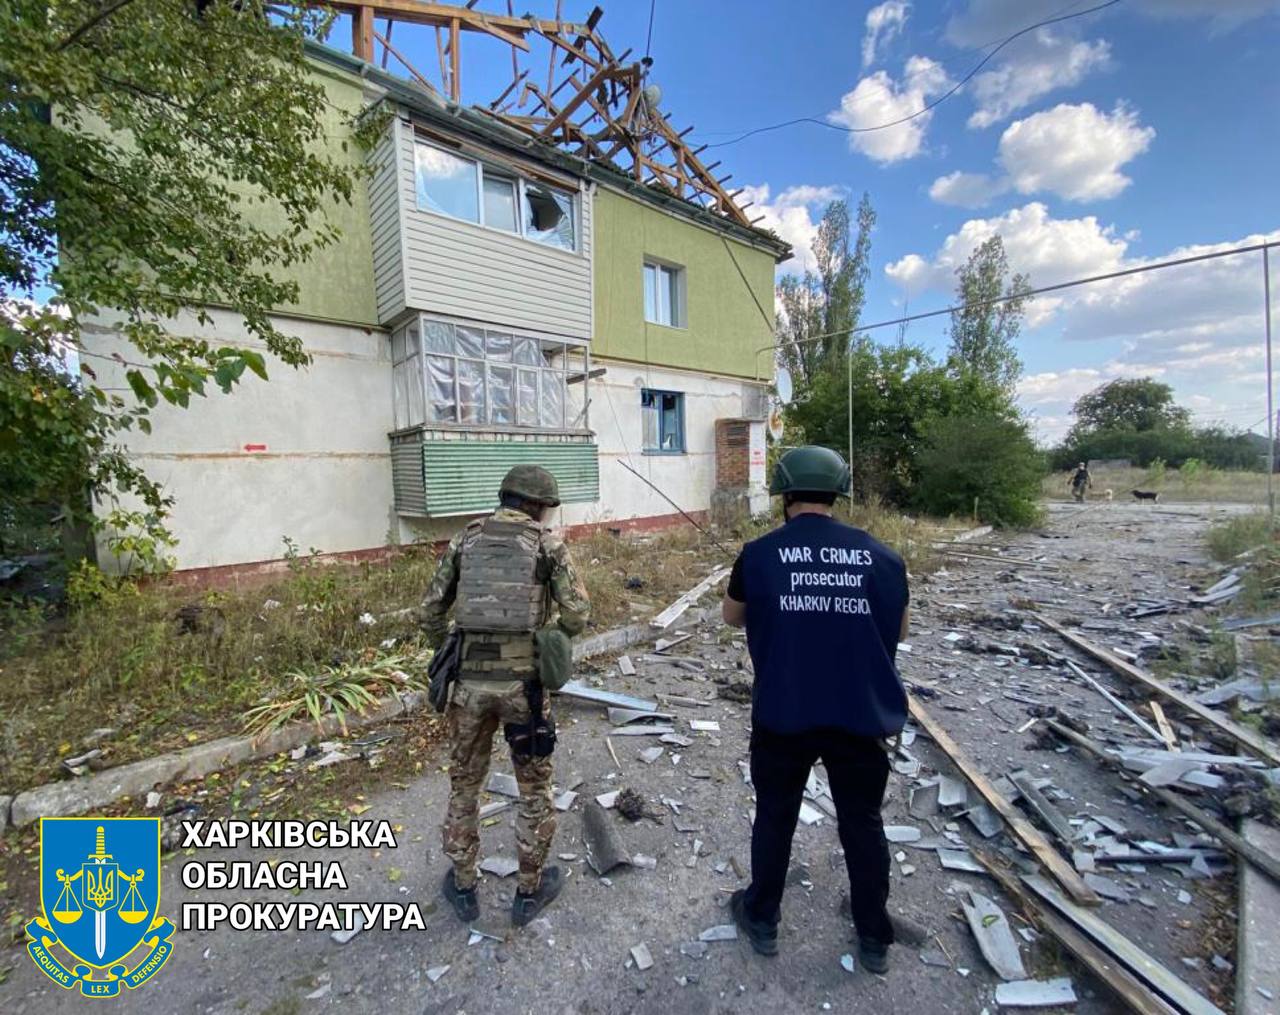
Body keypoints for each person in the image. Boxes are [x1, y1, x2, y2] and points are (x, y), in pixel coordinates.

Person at [721, 445, 910, 975]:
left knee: (776, 817)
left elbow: (731, 617)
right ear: (837, 494)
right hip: (860, 716)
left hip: (784, 714)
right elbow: (898, 631)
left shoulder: (759, 553)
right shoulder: (884, 557)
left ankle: (761, 917)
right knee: (862, 822)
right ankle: (873, 936)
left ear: (784, 494)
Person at [420, 464, 590, 927]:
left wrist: (450, 649)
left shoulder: (464, 539)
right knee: (534, 788)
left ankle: (463, 886)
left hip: (469, 688)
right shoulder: (547, 544)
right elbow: (578, 613)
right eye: (546, 509)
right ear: (535, 505)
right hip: (524, 689)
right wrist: (546, 640)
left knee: (465, 784)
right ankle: (529, 893)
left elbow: (431, 609)